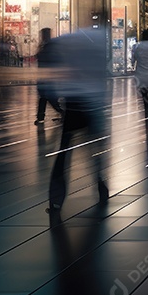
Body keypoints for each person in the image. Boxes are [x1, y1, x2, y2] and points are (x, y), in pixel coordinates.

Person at [48, 23, 110, 212]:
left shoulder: (69, 39)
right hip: (92, 102)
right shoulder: (101, 38)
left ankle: (57, 198)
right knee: (94, 148)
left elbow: (52, 51)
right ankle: (100, 184)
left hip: (74, 101)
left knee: (64, 150)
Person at [35, 28, 64, 125]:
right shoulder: (46, 46)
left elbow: (51, 60)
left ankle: (62, 113)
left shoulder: (48, 46)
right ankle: (40, 117)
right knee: (44, 97)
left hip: (47, 77)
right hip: (44, 76)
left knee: (48, 98)